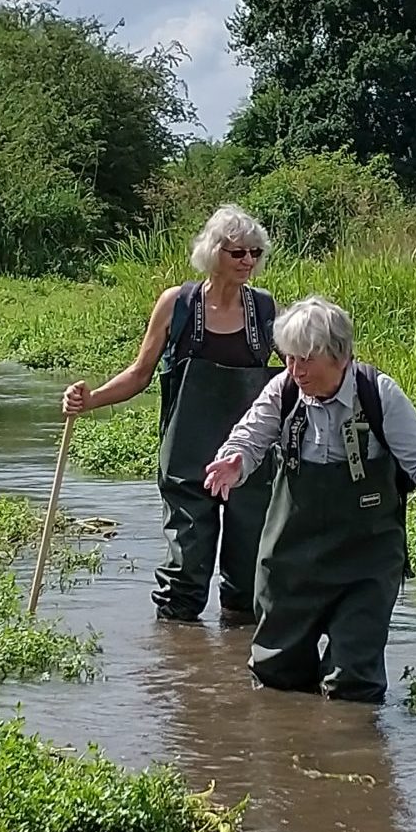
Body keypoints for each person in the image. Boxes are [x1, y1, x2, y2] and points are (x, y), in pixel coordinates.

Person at [202, 296, 416, 703]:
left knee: (353, 683)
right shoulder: (284, 391)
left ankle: (354, 753)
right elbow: (249, 437)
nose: (295, 370)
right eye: (288, 358)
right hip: (291, 560)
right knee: (276, 675)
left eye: (306, 358)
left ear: (340, 356)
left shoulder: (379, 394)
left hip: (365, 563)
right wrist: (234, 461)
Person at [63, 205, 281, 625]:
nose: (248, 262)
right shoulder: (177, 305)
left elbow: (292, 379)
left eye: (255, 253)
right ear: (213, 252)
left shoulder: (265, 310)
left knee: (250, 570)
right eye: (238, 253)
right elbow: (140, 373)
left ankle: (238, 665)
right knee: (187, 564)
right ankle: (177, 653)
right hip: (187, 457)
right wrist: (90, 400)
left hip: (249, 463)